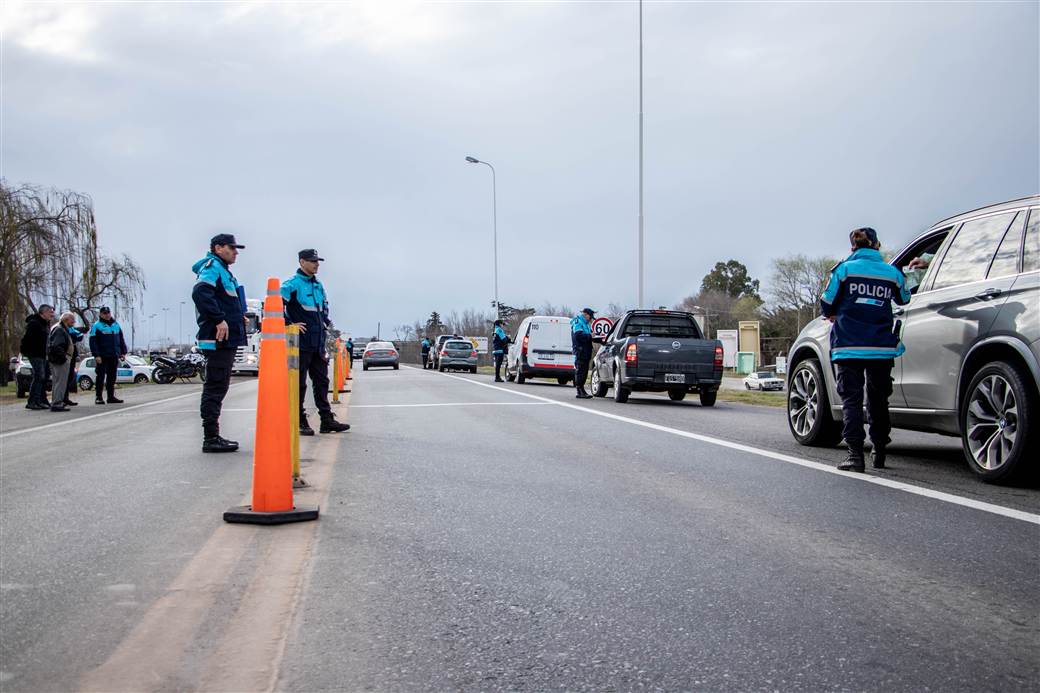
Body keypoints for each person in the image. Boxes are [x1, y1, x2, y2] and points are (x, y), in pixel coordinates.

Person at [820, 227, 911, 472]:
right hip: (881, 347)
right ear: (877, 245)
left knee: (852, 400)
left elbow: (826, 303)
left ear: (853, 247)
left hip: (848, 346)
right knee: (879, 400)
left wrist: (835, 313)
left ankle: (855, 455)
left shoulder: (844, 270)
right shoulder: (892, 272)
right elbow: (904, 299)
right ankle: (879, 451)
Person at [282, 249, 349, 436]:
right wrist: (289, 324)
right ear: (302, 262)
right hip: (300, 345)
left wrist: (328, 326)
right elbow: (273, 306)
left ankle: (326, 420)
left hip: (318, 343)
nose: (316, 264)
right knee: (299, 384)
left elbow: (323, 312)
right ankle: (299, 420)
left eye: (317, 261)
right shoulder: (291, 285)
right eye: (312, 261)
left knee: (321, 381)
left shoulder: (318, 285)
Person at [191, 233, 247, 453]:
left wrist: (236, 317)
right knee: (215, 387)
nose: (236, 252)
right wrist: (219, 319)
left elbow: (223, 299)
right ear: (217, 248)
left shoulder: (224, 271)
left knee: (220, 385)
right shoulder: (213, 267)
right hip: (218, 339)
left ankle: (213, 435)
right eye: (231, 247)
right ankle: (210, 437)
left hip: (227, 338)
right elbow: (200, 293)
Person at [88, 306, 128, 405]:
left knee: (112, 377)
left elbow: (121, 339)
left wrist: (123, 352)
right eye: (104, 313)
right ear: (101, 314)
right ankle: (99, 397)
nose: (107, 315)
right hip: (102, 356)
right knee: (100, 377)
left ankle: (111, 396)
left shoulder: (116, 325)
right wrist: (96, 355)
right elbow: (93, 342)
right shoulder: (96, 326)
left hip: (114, 355)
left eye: (108, 313)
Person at [20, 304, 54, 410]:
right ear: (43, 313)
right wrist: (29, 352)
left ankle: (41, 400)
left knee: (44, 378)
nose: (52, 314)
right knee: (39, 376)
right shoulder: (34, 323)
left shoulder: (45, 323)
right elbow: (26, 340)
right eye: (50, 312)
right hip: (35, 354)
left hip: (43, 354)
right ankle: (32, 401)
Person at [47, 312, 77, 412]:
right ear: (66, 320)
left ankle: (57, 401)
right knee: (60, 382)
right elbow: (56, 345)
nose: (74, 321)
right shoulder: (59, 329)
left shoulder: (62, 328)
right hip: (60, 360)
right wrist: (64, 358)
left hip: (58, 359)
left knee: (58, 382)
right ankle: (57, 403)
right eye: (72, 319)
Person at [571, 308, 596, 399]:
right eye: (590, 317)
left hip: (586, 350)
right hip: (580, 350)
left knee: (585, 371)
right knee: (581, 370)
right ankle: (579, 390)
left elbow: (590, 336)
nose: (590, 319)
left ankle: (582, 390)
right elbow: (578, 336)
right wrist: (590, 336)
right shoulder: (578, 322)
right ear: (586, 315)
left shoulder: (586, 324)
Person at [65, 325, 84, 406]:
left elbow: (80, 336)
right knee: (63, 378)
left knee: (69, 376)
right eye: (71, 320)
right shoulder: (61, 328)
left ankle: (65, 398)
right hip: (65, 354)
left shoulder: (72, 329)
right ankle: (60, 399)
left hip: (72, 354)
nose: (73, 322)